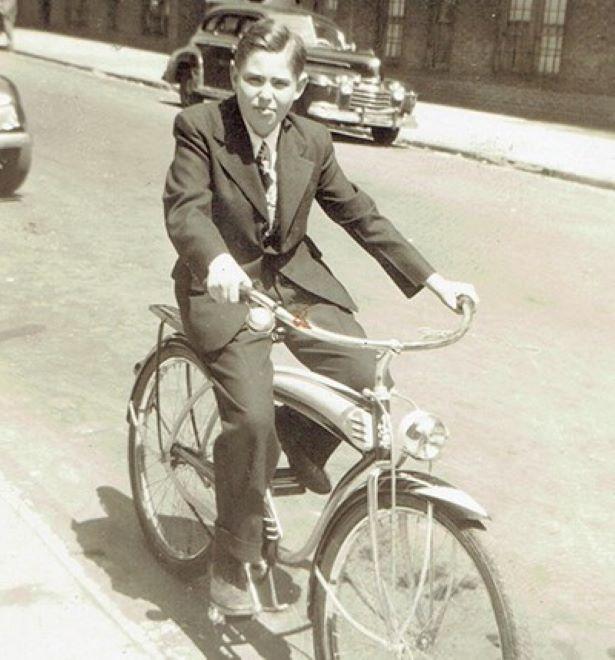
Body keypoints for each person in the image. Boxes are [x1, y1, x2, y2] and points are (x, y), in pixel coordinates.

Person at [163, 19, 478, 616]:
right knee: (251, 417)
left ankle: (302, 440)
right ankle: (231, 557)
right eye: (253, 79)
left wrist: (434, 280)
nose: (265, 95)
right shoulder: (200, 127)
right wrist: (218, 262)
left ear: (300, 84)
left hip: (293, 283)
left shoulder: (313, 139)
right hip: (225, 289)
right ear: (233, 76)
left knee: (371, 379)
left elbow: (360, 214)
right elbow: (186, 210)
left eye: (279, 83)